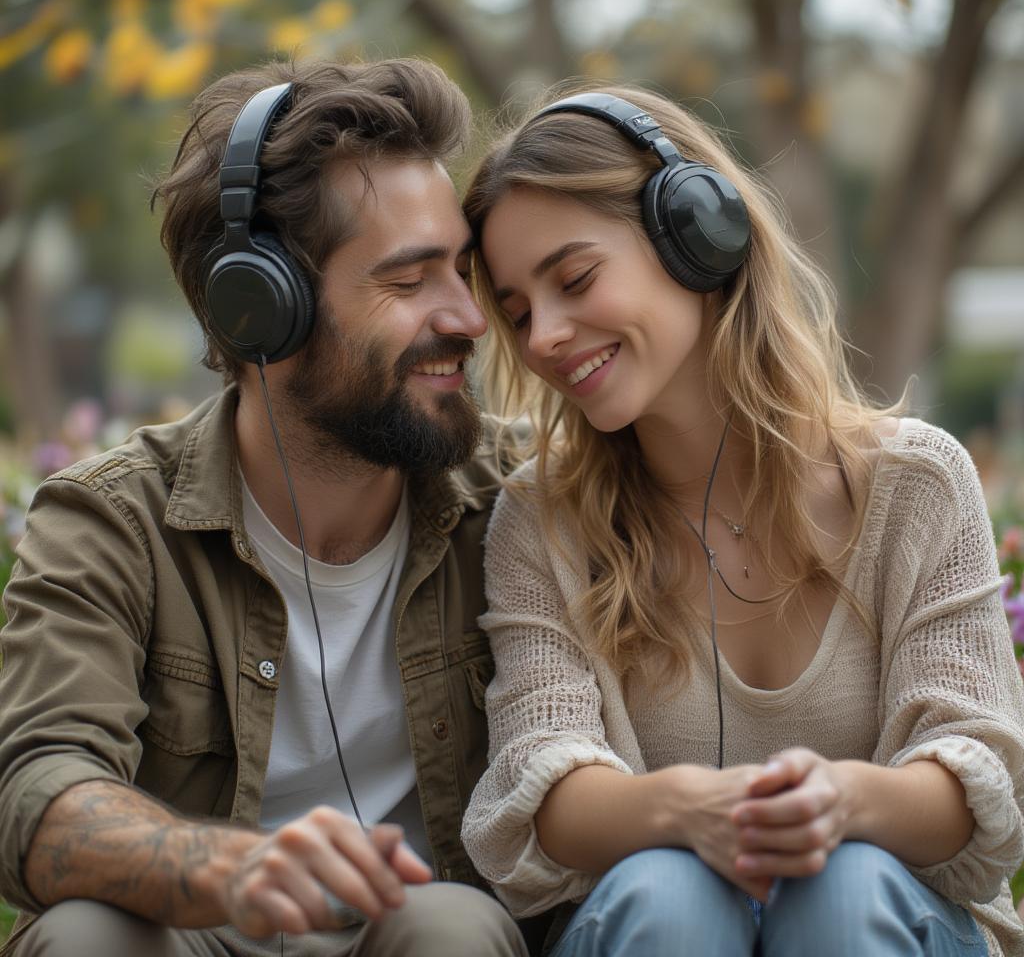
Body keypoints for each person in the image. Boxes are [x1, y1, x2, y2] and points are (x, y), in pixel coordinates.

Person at [459, 86, 1024, 957]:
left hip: (887, 924)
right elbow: (546, 782)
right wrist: (688, 812)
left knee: (846, 882)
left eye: (573, 280)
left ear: (697, 235)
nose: (543, 340)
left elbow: (974, 775)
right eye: (520, 311)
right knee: (670, 889)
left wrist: (842, 803)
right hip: (654, 928)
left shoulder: (918, 485)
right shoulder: (542, 522)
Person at [0, 57, 529, 957]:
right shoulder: (110, 523)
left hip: (424, 930)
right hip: (203, 928)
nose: (469, 318)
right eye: (410, 282)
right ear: (259, 311)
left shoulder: (523, 490)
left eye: (463, 271)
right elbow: (36, 792)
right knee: (86, 936)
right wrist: (227, 869)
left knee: (451, 923)